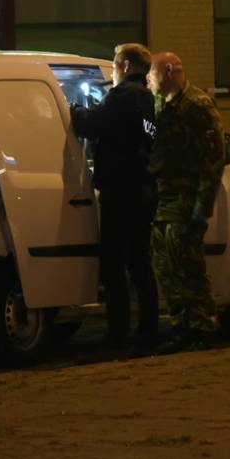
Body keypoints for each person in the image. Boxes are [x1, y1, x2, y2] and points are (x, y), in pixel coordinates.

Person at [69, 43, 160, 354]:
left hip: (120, 190)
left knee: (114, 265)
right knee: (140, 264)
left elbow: (91, 125)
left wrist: (74, 111)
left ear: (125, 66)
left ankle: (117, 335)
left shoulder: (122, 97)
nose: (111, 70)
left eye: (114, 65)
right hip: (143, 188)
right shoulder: (148, 99)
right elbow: (148, 134)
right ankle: (148, 331)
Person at [145, 51, 225, 355]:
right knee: (168, 265)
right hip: (164, 198)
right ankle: (182, 326)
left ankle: (203, 326)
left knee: (188, 265)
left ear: (167, 71)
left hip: (186, 197)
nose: (149, 80)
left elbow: (212, 159)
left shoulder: (198, 105)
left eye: (152, 74)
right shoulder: (160, 104)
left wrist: (201, 207)